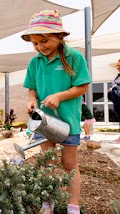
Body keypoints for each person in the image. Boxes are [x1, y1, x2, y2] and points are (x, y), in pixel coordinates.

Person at [22, 10, 91, 214]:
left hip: (68, 121)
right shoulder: (35, 62)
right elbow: (31, 89)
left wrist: (59, 96)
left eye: (44, 41)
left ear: (59, 36)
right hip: (44, 122)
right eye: (35, 43)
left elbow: (82, 87)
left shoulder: (74, 57)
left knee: (69, 163)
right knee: (48, 163)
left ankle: (73, 206)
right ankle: (48, 202)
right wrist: (32, 101)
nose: (40, 47)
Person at [107, 59, 120, 142]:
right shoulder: (118, 76)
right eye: (117, 65)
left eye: (119, 65)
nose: (118, 67)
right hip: (117, 101)